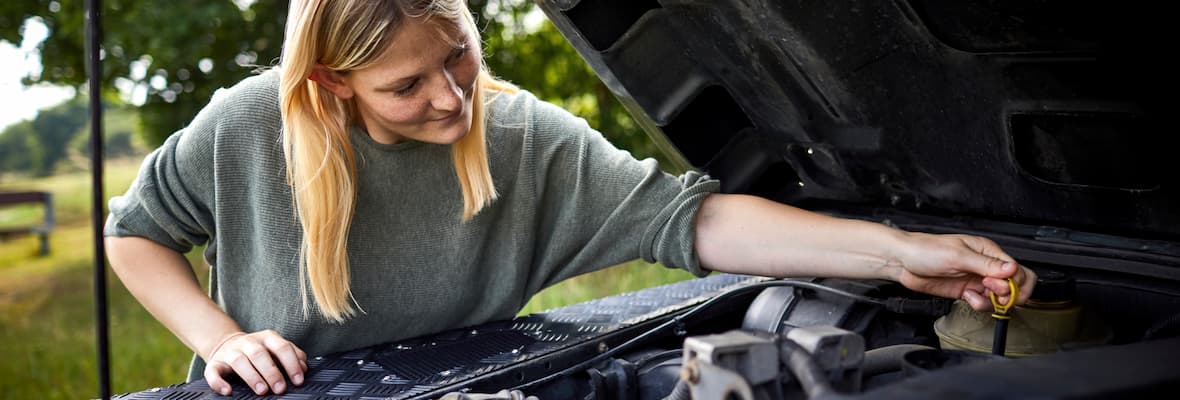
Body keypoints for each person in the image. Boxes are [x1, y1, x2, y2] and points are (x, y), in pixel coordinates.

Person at [104, 0, 1036, 397]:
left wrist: (895, 251)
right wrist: (221, 340)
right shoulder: (249, 125)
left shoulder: (517, 134)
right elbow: (135, 235)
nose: (451, 98)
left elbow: (692, 220)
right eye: (405, 86)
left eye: (459, 52)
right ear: (334, 86)